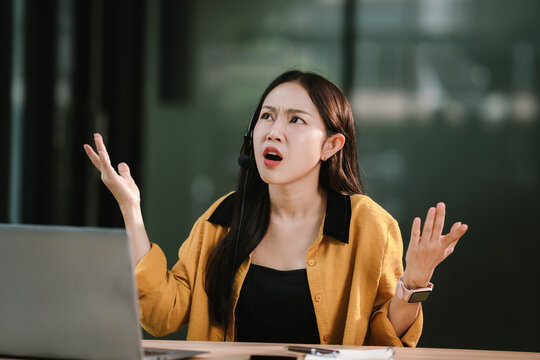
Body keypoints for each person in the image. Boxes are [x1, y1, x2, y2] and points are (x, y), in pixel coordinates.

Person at [83, 70, 468, 346]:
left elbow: (384, 338)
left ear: (331, 146)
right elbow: (162, 314)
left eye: (295, 119)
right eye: (266, 116)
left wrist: (414, 284)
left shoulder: (367, 224)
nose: (273, 130)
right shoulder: (224, 218)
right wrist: (131, 210)